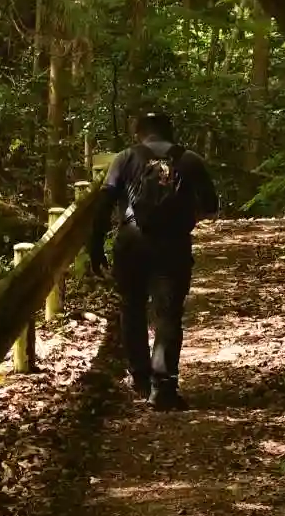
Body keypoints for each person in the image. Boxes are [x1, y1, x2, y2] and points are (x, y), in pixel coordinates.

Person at [88, 111, 218, 410]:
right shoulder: (190, 160)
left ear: (139, 132)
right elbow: (211, 205)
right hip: (173, 246)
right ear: (170, 131)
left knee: (132, 308)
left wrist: (95, 247)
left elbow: (104, 204)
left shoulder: (124, 158)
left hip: (131, 244)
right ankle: (164, 388)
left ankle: (140, 379)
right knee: (168, 313)